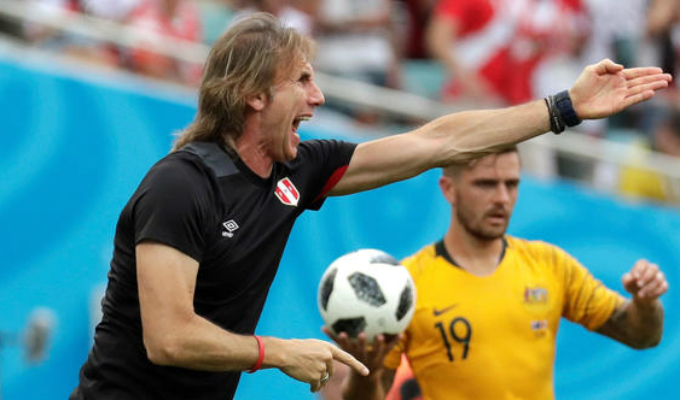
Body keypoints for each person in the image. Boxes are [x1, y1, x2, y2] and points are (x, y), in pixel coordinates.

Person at [68, 12, 672, 400]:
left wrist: (563, 108)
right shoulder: (180, 185)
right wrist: (276, 352)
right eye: (302, 80)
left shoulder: (297, 170)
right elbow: (169, 338)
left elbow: (438, 142)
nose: (318, 97)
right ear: (254, 95)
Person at [328, 147, 669, 400]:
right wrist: (365, 371)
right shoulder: (406, 284)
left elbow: (642, 335)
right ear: (448, 189)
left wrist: (646, 303)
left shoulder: (549, 263)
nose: (502, 198)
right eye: (486, 184)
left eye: (511, 184)